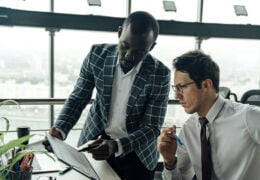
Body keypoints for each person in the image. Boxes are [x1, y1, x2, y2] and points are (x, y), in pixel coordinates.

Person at [49, 11, 170, 180]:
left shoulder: (160, 74)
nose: (129, 56)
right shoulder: (97, 55)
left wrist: (117, 145)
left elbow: (152, 127)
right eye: (125, 46)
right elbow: (78, 98)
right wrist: (59, 130)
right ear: (119, 33)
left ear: (151, 47)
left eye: (139, 51)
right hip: (96, 141)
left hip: (138, 153)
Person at [157, 50, 260, 180]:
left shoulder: (248, 117)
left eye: (182, 87)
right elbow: (181, 178)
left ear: (206, 85)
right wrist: (170, 161)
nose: (177, 95)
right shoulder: (190, 128)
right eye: (175, 88)